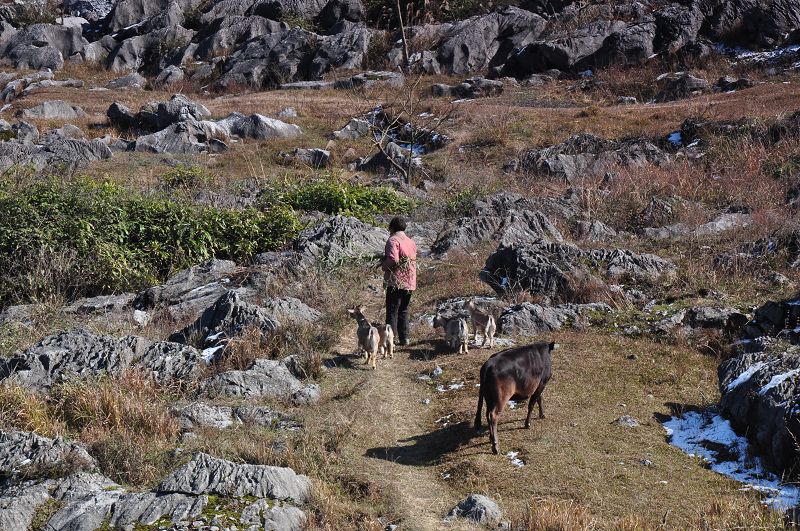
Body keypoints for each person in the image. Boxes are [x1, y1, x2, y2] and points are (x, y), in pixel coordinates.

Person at [381, 216, 417, 346]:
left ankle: (390, 340)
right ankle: (404, 338)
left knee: (392, 310)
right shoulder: (411, 242)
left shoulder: (393, 240)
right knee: (404, 309)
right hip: (409, 282)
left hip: (396, 281)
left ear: (392, 227)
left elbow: (393, 260)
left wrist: (384, 265)